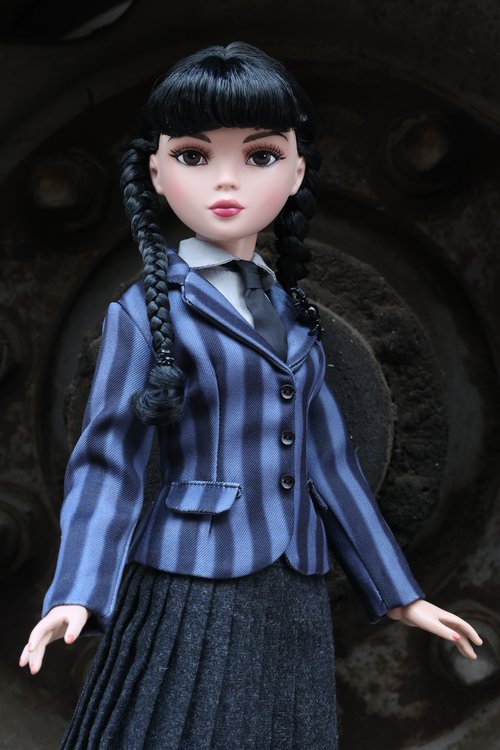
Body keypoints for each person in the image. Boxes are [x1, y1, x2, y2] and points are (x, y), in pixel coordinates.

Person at [19, 42, 482, 749]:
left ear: (297, 171)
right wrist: (77, 591)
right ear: (156, 171)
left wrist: (400, 595)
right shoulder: (146, 313)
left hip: (292, 590)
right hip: (190, 579)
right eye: (194, 156)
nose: (226, 180)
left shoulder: (296, 317)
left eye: (260, 155)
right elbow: (109, 461)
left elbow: (332, 468)